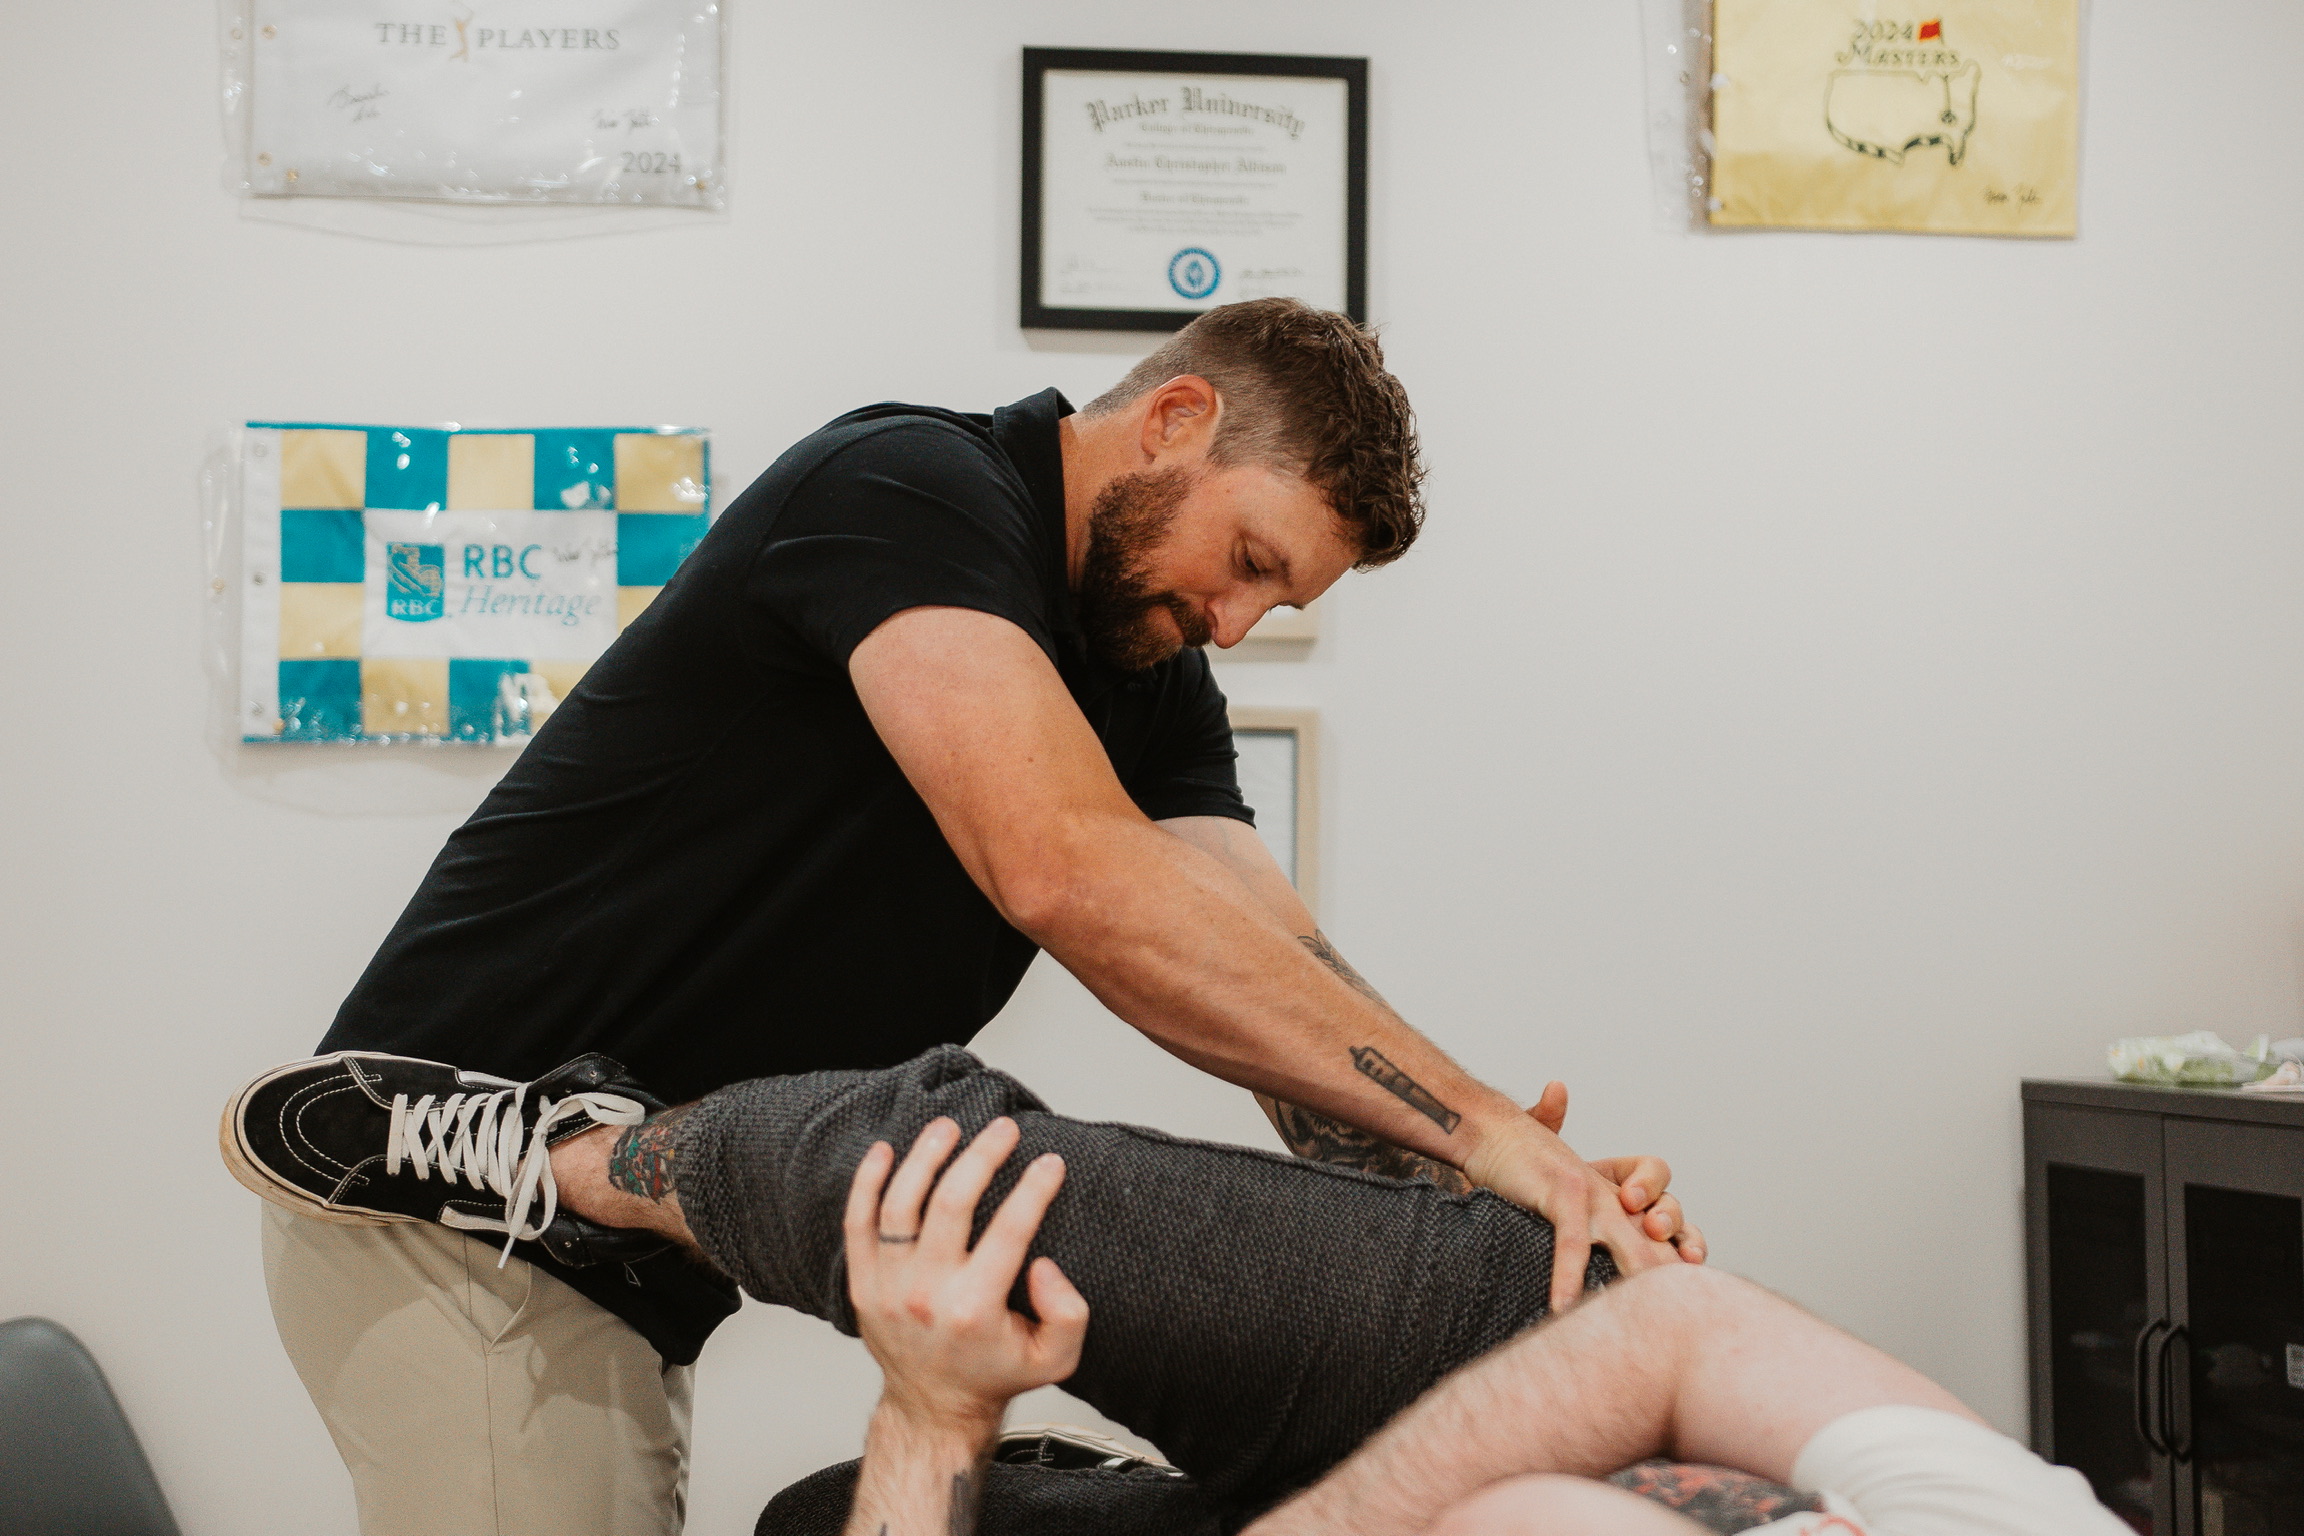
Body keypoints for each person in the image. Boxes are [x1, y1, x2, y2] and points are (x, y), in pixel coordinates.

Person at [234, 298, 1699, 1536]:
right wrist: (1475, 1120)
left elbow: (1265, 960)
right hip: (448, 1185)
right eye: (1250, 562)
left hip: (631, 1224)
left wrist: (1514, 1197)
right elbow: (1064, 870)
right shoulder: (909, 491)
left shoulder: (1149, 679)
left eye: (1284, 602)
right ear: (1176, 418)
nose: (1240, 623)